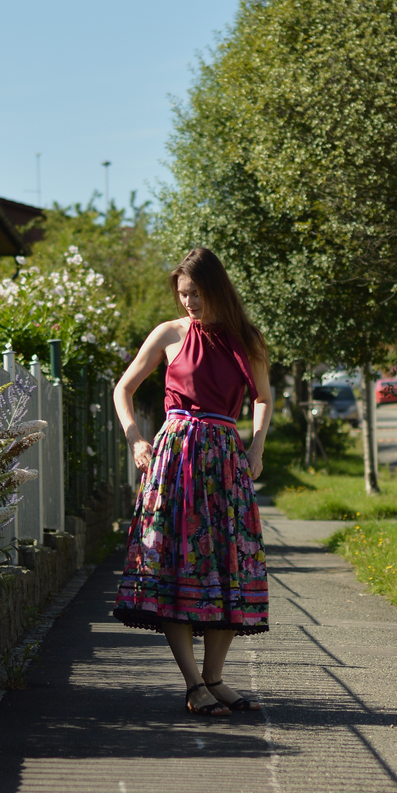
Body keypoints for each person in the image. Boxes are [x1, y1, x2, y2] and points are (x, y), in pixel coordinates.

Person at [113, 247, 273, 716]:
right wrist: (136, 440)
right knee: (172, 565)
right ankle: (192, 683)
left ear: (217, 289)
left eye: (197, 294)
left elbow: (263, 398)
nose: (189, 304)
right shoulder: (169, 335)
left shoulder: (247, 339)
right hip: (175, 458)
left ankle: (215, 678)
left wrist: (257, 445)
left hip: (225, 460)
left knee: (230, 565)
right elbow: (124, 387)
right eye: (184, 295)